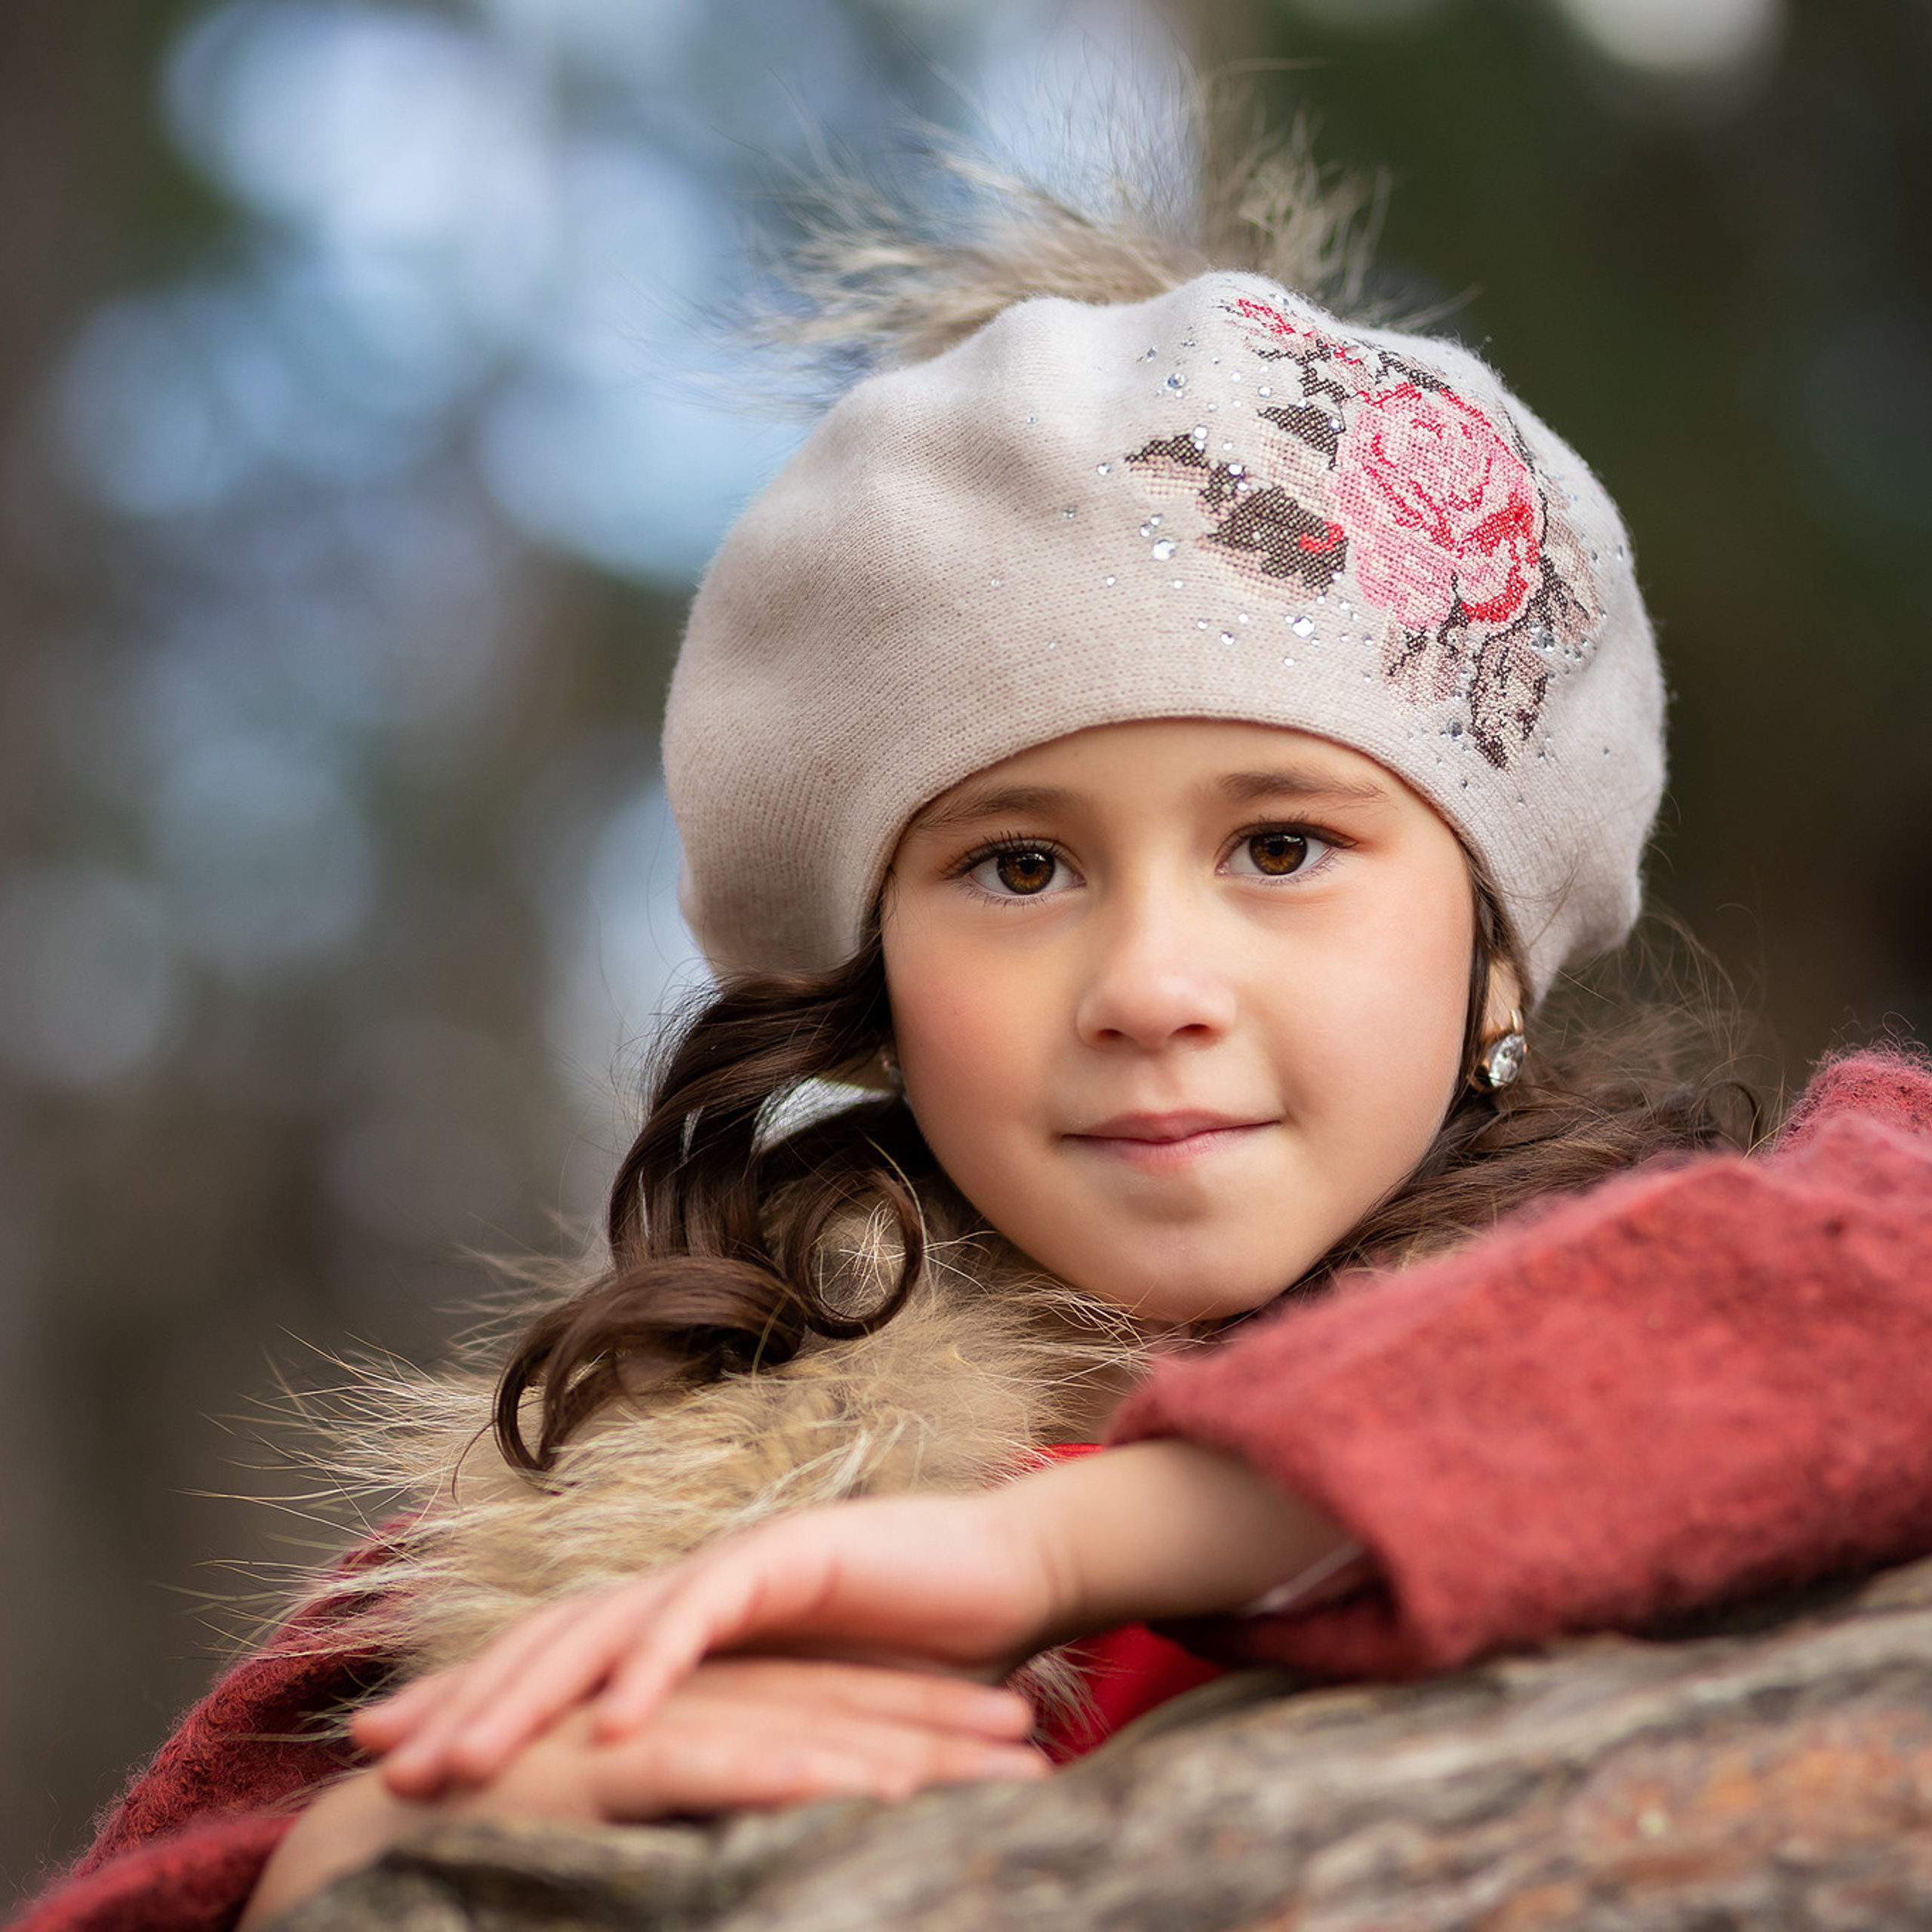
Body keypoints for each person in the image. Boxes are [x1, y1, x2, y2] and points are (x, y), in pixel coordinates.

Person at [18, 149, 1932, 1932]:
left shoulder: (1729, 1297)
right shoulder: (645, 1487)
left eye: (1281, 845)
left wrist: (1087, 1545)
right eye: (1018, 867)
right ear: (876, 975)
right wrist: (360, 1854)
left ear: (1494, 956)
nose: (1147, 981)